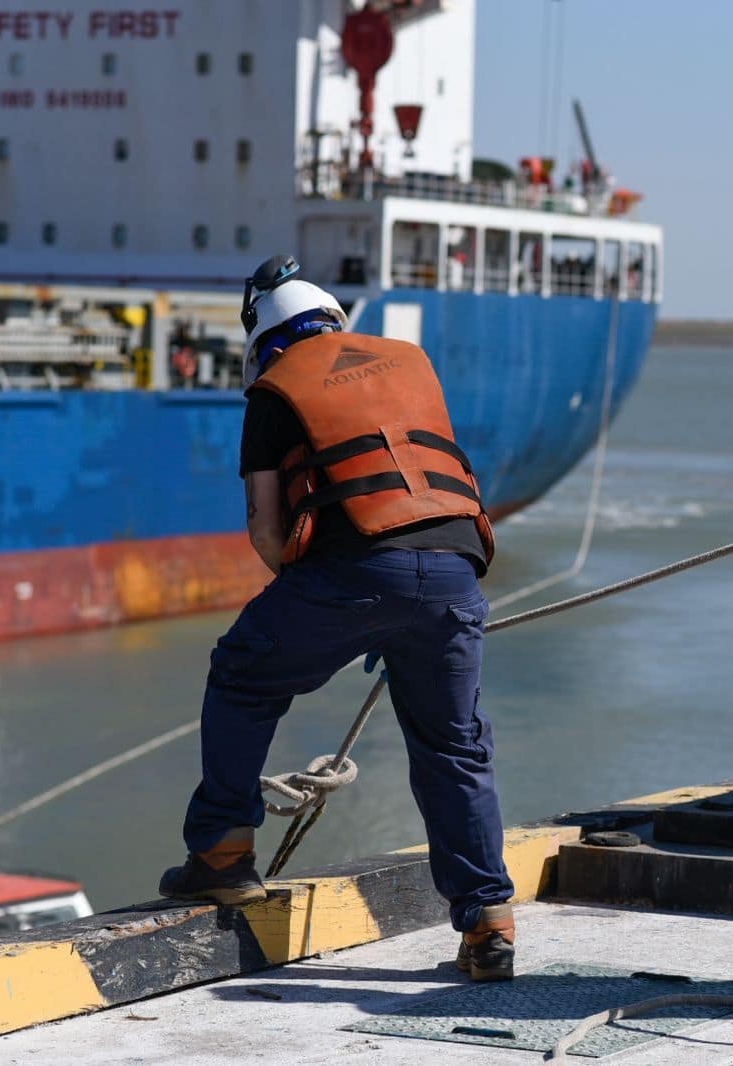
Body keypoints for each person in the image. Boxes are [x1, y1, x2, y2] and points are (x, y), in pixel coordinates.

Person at [158, 255, 518, 982]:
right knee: (454, 748)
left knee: (242, 674)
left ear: (265, 336)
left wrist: (327, 608)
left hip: (354, 570)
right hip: (455, 569)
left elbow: (267, 528)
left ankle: (223, 855)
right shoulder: (409, 362)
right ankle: (489, 924)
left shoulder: (273, 390)